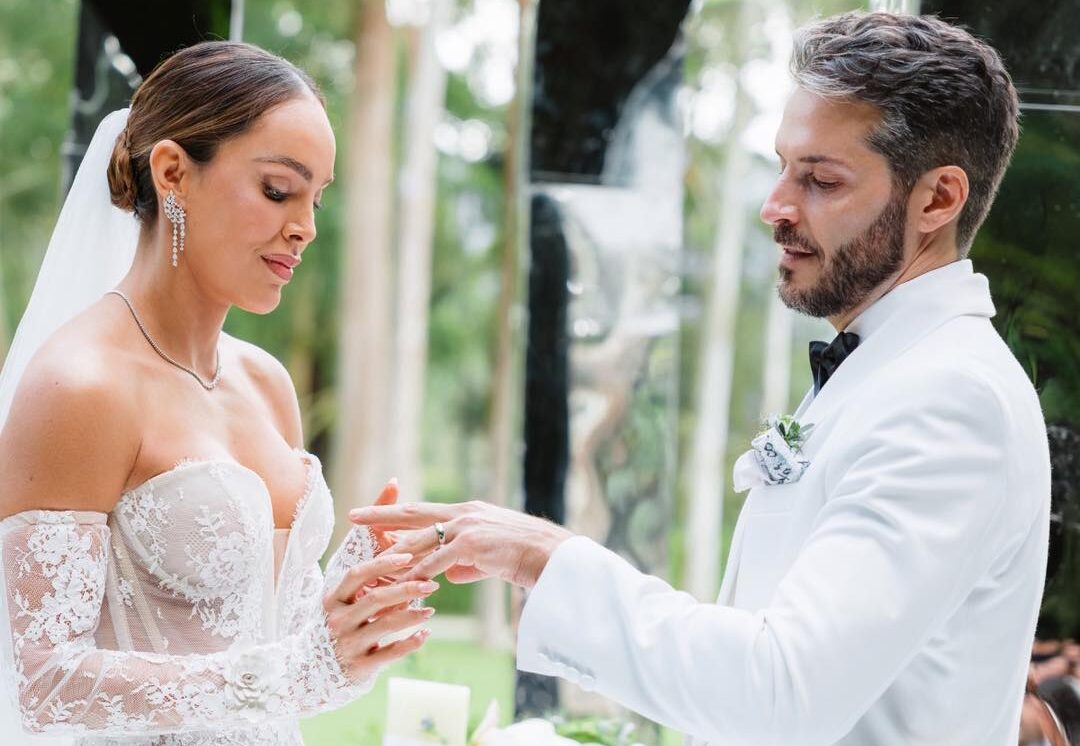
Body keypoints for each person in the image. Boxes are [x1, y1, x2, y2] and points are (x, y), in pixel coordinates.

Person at [352, 11, 1051, 745]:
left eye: (820, 179)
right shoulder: (888, 370)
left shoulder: (951, 400)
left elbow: (782, 692)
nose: (774, 207)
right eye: (783, 166)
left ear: (938, 199)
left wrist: (544, 556)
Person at [0, 42, 435, 745]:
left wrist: (352, 602)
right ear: (173, 172)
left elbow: (268, 645)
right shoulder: (80, 386)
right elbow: (45, 686)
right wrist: (296, 671)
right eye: (277, 190)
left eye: (316, 199)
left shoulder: (267, 383)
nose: (306, 227)